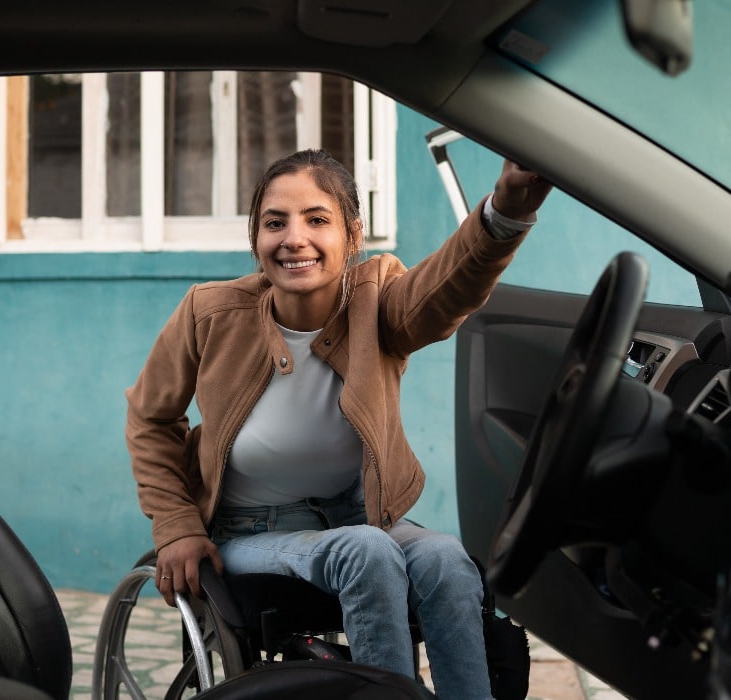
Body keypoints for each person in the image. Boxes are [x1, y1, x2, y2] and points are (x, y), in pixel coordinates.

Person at [125, 148, 552, 699]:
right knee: (366, 550)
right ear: (255, 238)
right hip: (247, 531)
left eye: (317, 219)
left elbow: (448, 289)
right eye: (274, 222)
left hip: (356, 515)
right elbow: (150, 416)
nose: (293, 238)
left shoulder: (380, 299)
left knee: (446, 556)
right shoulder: (209, 312)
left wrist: (504, 214)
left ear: (353, 235)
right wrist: (177, 526)